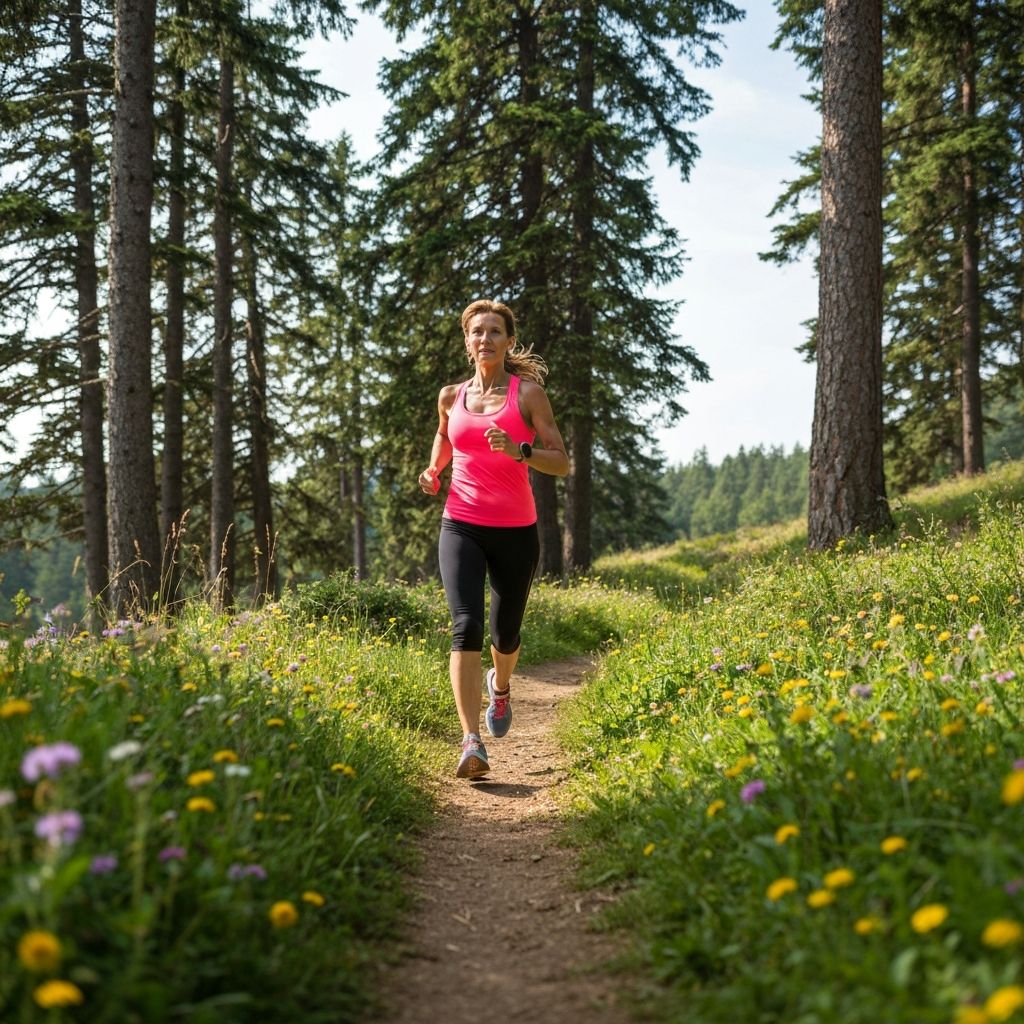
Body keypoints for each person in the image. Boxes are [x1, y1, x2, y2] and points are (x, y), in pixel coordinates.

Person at [418, 299, 569, 779]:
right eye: (477, 331)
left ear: (508, 341)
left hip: (515, 530)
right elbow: (445, 436)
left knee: (505, 634)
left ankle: (499, 687)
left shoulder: (528, 396)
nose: (485, 339)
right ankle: (470, 741)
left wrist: (522, 450)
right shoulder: (450, 395)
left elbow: (561, 461)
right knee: (465, 625)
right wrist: (433, 469)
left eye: (494, 331)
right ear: (467, 341)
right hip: (460, 522)